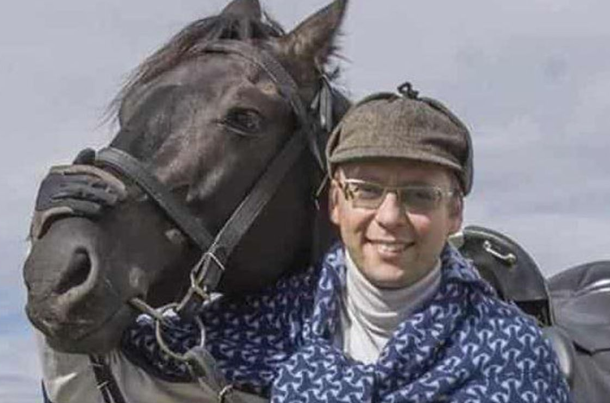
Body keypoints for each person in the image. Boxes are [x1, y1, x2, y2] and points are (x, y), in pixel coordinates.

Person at [41, 85, 571, 402]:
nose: (389, 218)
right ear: (335, 203)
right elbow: (117, 377)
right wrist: (59, 234)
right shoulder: (273, 318)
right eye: (366, 190)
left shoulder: (513, 355)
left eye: (419, 195)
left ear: (454, 213)